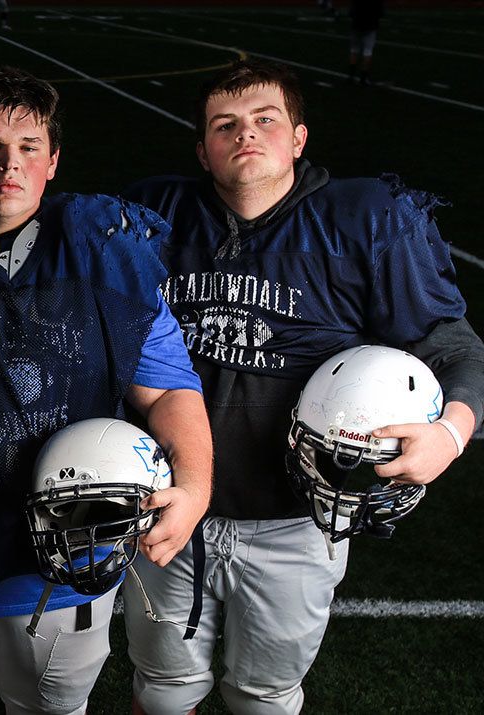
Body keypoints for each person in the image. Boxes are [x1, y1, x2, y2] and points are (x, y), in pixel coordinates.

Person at [121, 58, 484, 715]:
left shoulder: (365, 220)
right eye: (225, 125)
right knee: (163, 691)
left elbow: (455, 346)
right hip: (168, 506)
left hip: (296, 519)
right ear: (202, 149)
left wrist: (450, 434)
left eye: (265, 120)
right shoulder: (156, 215)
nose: (246, 134)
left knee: (264, 697)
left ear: (299, 138)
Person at [0, 67, 213, 715]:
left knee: (50, 707)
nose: (8, 163)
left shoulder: (104, 250)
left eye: (28, 147)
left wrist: (193, 488)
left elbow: (167, 391)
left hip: (69, 554)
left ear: (53, 162)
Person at [348, 0, 385, 85]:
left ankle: (351, 76)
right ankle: (363, 77)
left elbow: (350, 12)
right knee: (367, 51)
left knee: (354, 50)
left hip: (356, 25)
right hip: (370, 25)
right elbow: (381, 13)